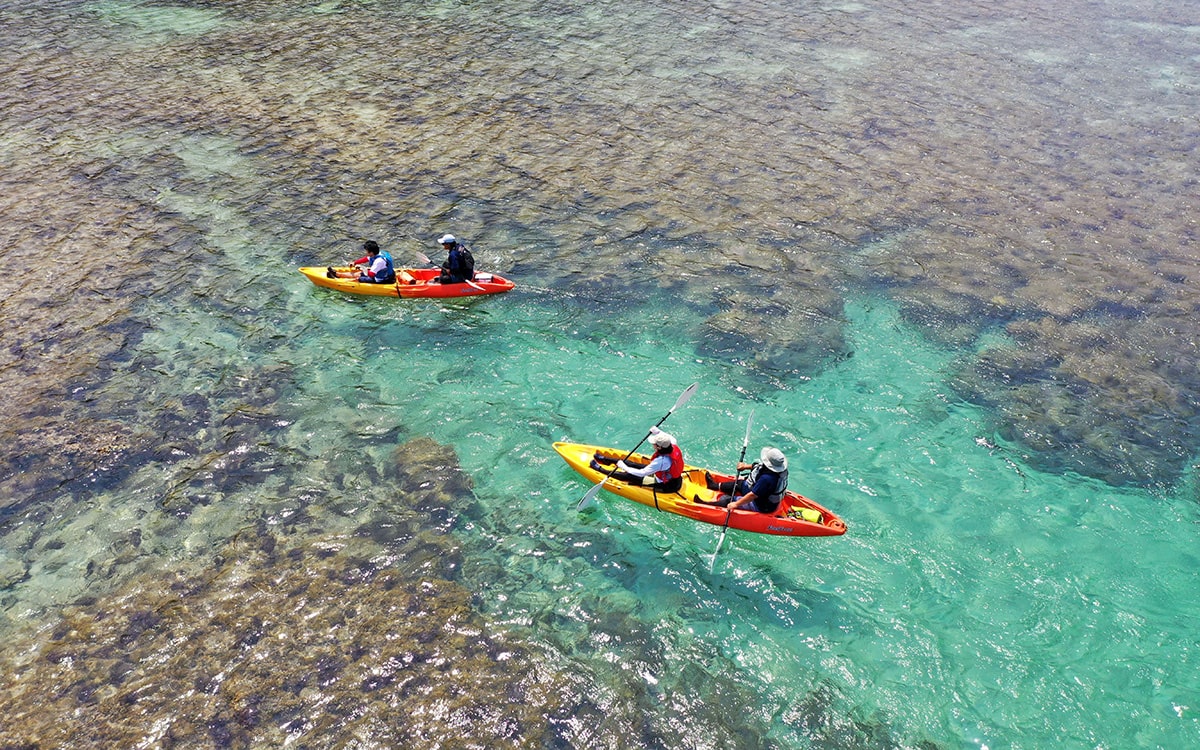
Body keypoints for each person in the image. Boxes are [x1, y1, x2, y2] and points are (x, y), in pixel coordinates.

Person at [590, 427, 684, 493]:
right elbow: (668, 437)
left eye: (654, 443)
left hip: (665, 483)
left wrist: (624, 467)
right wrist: (657, 432)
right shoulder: (672, 444)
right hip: (664, 473)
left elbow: (642, 473)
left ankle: (600, 469)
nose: (652, 444)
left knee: (629, 475)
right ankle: (605, 460)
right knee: (630, 463)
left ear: (659, 447)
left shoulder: (662, 461)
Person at [701, 447, 789, 513]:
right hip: (761, 493)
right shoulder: (777, 470)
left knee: (730, 501)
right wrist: (745, 466)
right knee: (739, 484)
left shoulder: (767, 479)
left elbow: (752, 495)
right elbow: (758, 466)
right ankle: (714, 486)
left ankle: (705, 505)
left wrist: (736, 504)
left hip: (761, 504)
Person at [328, 240, 395, 283]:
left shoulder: (379, 261)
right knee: (359, 273)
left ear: (371, 252)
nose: (365, 252)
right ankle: (337, 274)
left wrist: (362, 268)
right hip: (383, 273)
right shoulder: (379, 253)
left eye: (366, 251)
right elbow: (366, 259)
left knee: (359, 278)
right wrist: (355, 263)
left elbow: (371, 274)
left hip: (381, 279)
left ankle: (337, 281)